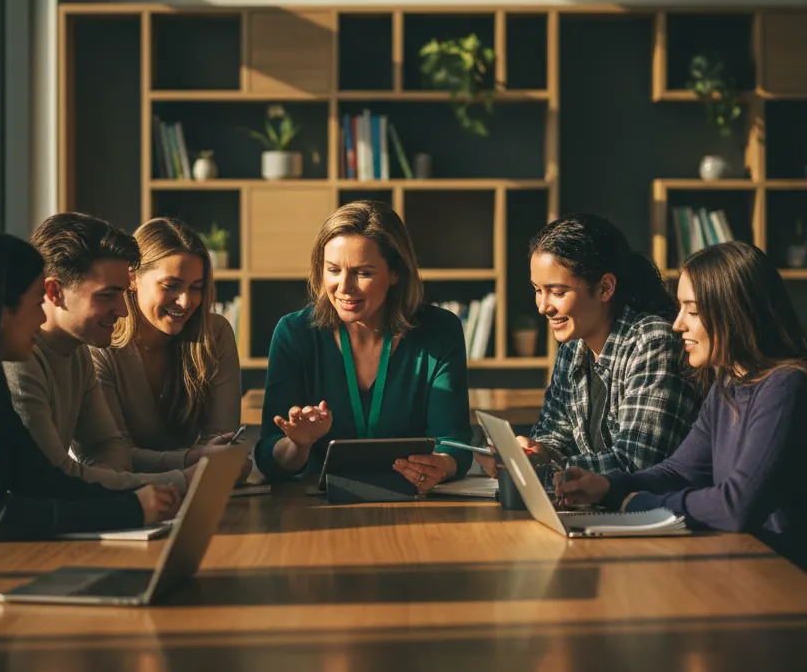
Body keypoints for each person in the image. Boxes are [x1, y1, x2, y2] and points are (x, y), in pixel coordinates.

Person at [0, 230, 179, 573]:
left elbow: (41, 481)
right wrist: (132, 509)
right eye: (37, 301)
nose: (41, 318)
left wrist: (143, 496)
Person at [556, 242, 807, 567]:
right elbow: (679, 471)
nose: (677, 325)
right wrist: (607, 487)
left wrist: (641, 503)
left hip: (783, 581)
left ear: (734, 312)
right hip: (742, 567)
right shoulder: (728, 385)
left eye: (692, 310)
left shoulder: (785, 385)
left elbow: (735, 506)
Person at [254, 200, 473, 489]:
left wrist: (441, 466)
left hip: (414, 501)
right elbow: (270, 456)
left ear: (395, 274)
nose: (344, 287)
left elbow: (454, 443)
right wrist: (298, 445)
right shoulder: (294, 333)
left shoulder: (440, 330)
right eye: (333, 270)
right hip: (317, 507)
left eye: (363, 273)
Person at [483, 213, 697, 478]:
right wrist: (535, 452)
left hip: (653, 514)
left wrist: (546, 469)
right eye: (538, 290)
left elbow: (637, 463)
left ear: (605, 287)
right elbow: (552, 434)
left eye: (558, 292)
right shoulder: (572, 348)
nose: (543, 307)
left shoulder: (653, 342)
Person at [4, 213, 196, 493]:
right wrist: (184, 480)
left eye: (122, 294)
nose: (123, 310)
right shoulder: (18, 361)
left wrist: (105, 483)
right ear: (54, 291)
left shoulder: (78, 352)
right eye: (107, 295)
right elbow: (55, 477)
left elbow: (108, 445)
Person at [92, 216, 248, 479]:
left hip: (195, 488)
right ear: (132, 278)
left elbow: (219, 442)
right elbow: (115, 457)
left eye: (196, 288)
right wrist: (191, 460)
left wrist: (213, 461)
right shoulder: (100, 345)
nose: (186, 302)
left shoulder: (215, 333)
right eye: (171, 286)